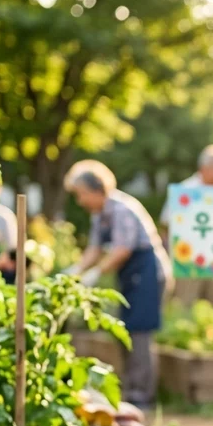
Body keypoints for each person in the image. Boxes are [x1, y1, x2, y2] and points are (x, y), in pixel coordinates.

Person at [65, 160, 173, 408]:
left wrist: (95, 273)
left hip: (147, 273)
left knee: (140, 331)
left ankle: (142, 396)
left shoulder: (121, 209)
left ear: (96, 189)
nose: (80, 201)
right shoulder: (99, 215)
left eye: (81, 195)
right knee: (126, 330)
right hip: (131, 276)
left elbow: (122, 250)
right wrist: (75, 271)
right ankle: (133, 391)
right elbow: (94, 249)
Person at [160, 145, 213, 304]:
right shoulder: (186, 191)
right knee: (186, 304)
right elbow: (166, 226)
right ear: (205, 168)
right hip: (188, 263)